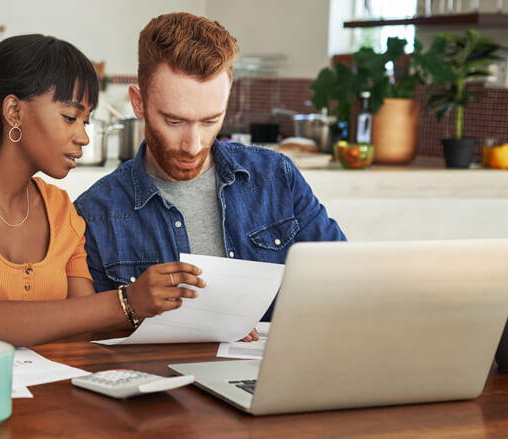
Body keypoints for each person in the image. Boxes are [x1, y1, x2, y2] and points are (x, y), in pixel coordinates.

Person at [0, 34, 206, 346]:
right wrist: (127, 301)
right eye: (70, 117)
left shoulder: (60, 208)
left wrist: (200, 326)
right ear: (14, 112)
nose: (83, 137)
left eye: (85, 121)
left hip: (45, 390)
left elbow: (85, 328)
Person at [73, 13, 346, 325]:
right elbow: (92, 340)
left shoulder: (276, 176)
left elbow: (341, 279)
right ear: (138, 102)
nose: (193, 144)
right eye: (174, 121)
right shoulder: (94, 213)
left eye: (210, 120)